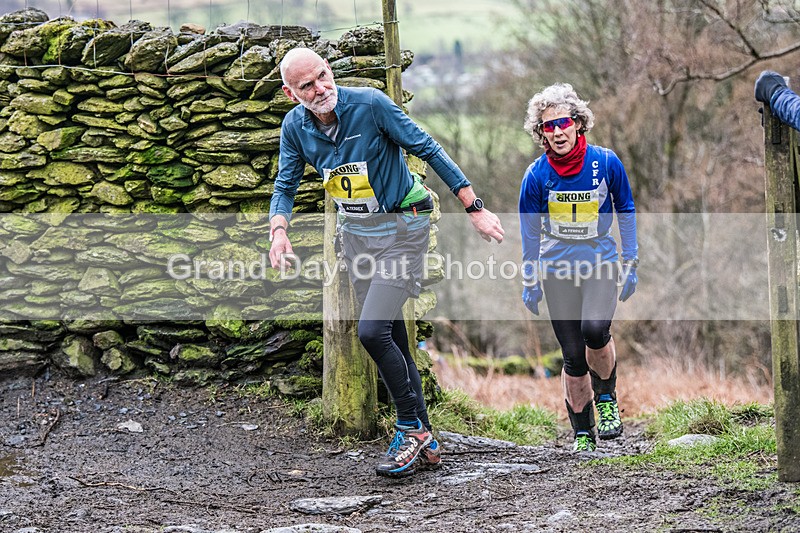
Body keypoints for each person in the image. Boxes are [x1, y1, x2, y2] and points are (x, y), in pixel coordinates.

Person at [268, 48, 505, 476]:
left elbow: (429, 148)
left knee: (371, 331)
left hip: (403, 229)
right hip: (358, 238)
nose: (321, 88)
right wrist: (279, 232)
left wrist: (474, 207)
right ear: (291, 93)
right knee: (390, 335)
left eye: (323, 76)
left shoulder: (371, 104)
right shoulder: (294, 128)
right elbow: (285, 184)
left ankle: (410, 429)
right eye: (307, 85)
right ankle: (426, 441)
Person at [518, 83, 638, 452]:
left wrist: (631, 260)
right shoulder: (536, 175)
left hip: (600, 262)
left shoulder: (606, 162)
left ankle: (607, 399)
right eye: (549, 126)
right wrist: (530, 278)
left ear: (578, 123)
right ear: (541, 133)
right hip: (556, 270)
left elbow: (626, 209)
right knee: (572, 355)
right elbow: (529, 231)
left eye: (563, 123)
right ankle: (583, 431)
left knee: (595, 330)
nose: (557, 132)